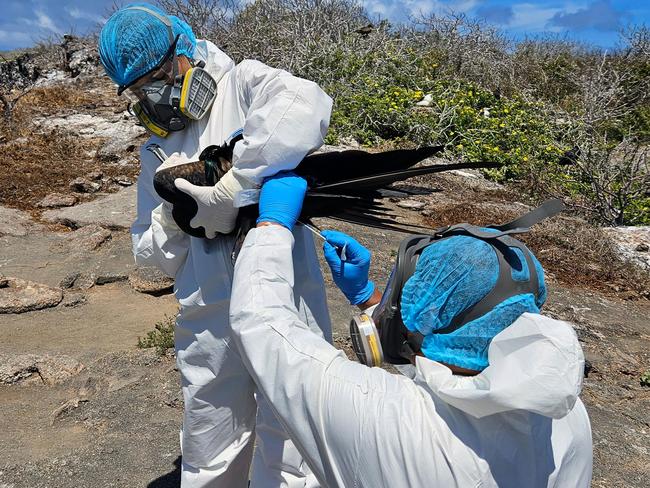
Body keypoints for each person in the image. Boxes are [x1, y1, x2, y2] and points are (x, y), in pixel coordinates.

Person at [229, 172, 593, 488]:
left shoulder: (375, 415)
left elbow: (263, 324)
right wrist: (368, 298)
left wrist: (272, 226)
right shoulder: (565, 414)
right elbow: (457, 386)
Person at [98, 4, 333, 487]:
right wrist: (176, 216)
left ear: (183, 49)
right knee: (209, 437)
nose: (156, 93)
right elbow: (150, 255)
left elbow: (305, 106)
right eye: (141, 89)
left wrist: (235, 186)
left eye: (161, 74)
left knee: (290, 433)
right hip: (207, 312)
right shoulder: (155, 149)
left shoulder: (246, 84)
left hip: (283, 296)